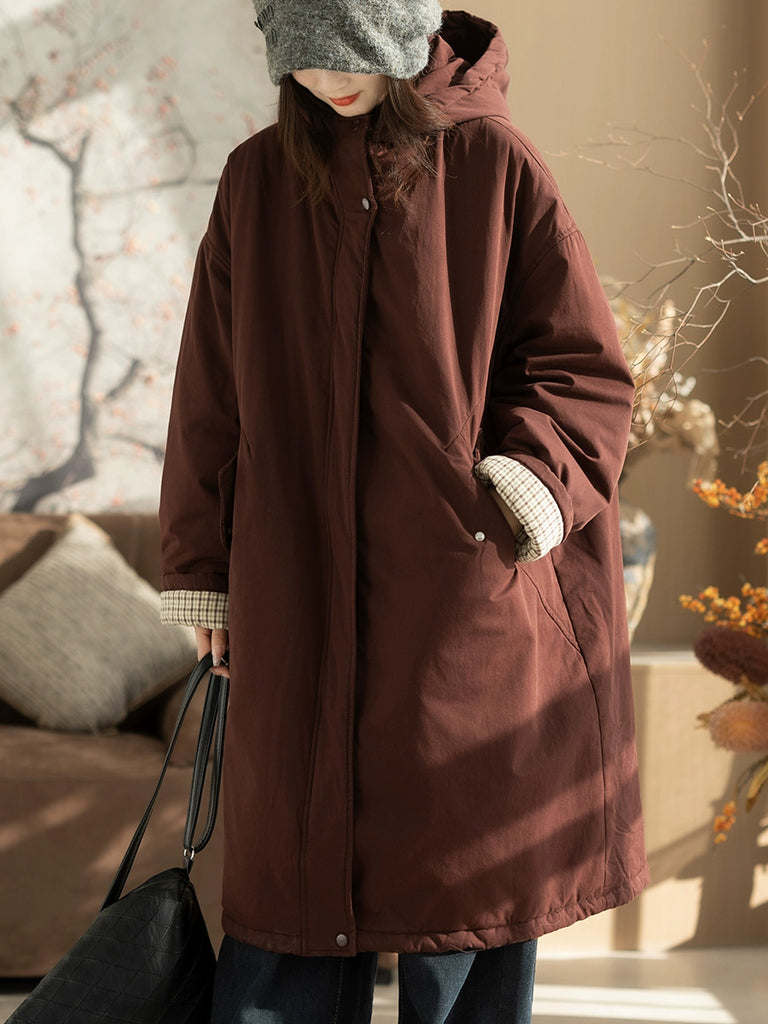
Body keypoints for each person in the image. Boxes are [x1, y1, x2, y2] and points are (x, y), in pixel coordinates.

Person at [159, 2, 649, 1021]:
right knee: (291, 902)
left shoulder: (497, 163)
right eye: (301, 62)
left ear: (397, 31)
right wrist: (201, 568)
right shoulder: (257, 179)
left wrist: (524, 483)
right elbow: (208, 392)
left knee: (463, 900)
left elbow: (583, 368)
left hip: (461, 595)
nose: (324, 81)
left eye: (347, 55)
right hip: (294, 590)